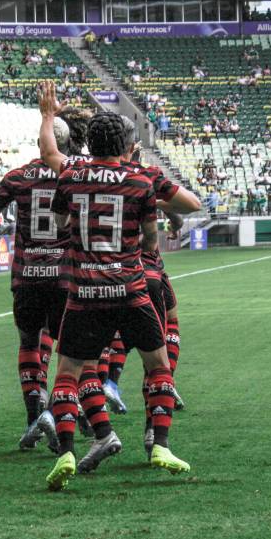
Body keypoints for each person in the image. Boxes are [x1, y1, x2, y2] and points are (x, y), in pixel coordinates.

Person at [38, 107, 191, 491]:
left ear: (89, 143)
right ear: (125, 144)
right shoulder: (140, 182)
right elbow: (152, 241)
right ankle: (160, 444)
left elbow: (60, 224)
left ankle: (67, 452)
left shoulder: (72, 176)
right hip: (131, 289)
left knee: (67, 375)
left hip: (85, 292)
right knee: (157, 365)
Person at [0, 105, 90, 451]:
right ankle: (60, 409)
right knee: (69, 351)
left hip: (26, 277)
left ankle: (34, 416)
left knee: (28, 343)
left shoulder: (18, 176)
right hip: (65, 277)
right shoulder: (75, 174)